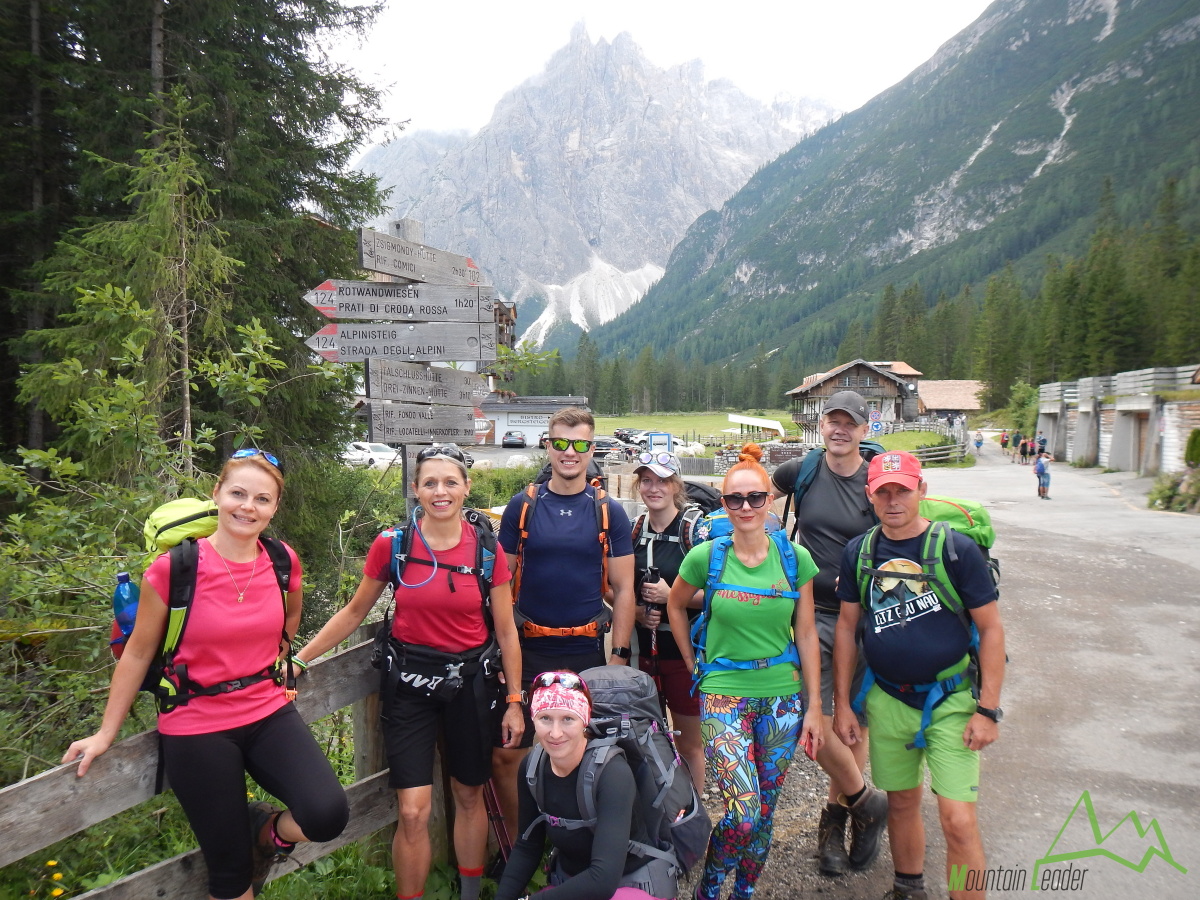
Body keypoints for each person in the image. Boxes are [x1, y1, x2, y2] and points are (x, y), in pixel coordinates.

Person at [64, 450, 348, 900]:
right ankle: (242, 851)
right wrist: (104, 732)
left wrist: (274, 666)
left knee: (327, 813)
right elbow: (136, 654)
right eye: (238, 493)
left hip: (266, 709)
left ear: (274, 508)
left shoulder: (282, 560)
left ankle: (264, 831)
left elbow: (289, 620)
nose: (247, 507)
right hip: (197, 724)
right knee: (231, 875)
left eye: (262, 499)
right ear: (216, 494)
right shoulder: (174, 569)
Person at [296, 445, 524, 900]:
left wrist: (516, 700)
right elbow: (356, 610)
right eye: (430, 483)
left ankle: (469, 892)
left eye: (450, 482)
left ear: (466, 488)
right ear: (416, 489)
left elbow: (506, 631)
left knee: (468, 796)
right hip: (410, 686)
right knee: (414, 811)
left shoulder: (486, 549)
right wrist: (302, 658)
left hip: (470, 683)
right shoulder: (394, 545)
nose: (440, 492)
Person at [833, 451, 1005, 900]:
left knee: (959, 821)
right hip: (886, 699)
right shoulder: (860, 553)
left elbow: (990, 629)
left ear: (921, 491)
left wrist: (988, 709)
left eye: (902, 490)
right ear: (870, 497)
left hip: (950, 701)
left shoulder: (956, 550)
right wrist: (844, 706)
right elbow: (848, 629)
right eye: (883, 491)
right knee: (903, 802)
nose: (893, 500)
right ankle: (908, 888)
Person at [669, 443, 824, 900]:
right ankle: (711, 890)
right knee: (743, 811)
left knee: (766, 811)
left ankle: (745, 892)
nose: (746, 507)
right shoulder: (706, 558)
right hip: (723, 693)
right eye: (735, 499)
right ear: (724, 504)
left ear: (769, 501)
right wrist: (692, 662)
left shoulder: (795, 560)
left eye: (755, 497)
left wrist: (814, 707)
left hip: (782, 696)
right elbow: (677, 605)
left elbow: (808, 634)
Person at [494, 407, 636, 842]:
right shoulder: (523, 507)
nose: (569, 453)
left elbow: (624, 589)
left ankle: (576, 844)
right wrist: (499, 652)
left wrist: (619, 657)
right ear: (548, 445)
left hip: (586, 651)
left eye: (579, 444)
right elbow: (501, 586)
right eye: (560, 443)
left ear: (592, 448)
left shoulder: (609, 512)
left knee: (582, 752)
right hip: (528, 647)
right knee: (508, 754)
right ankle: (524, 845)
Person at [769, 391, 889, 876]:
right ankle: (867, 801)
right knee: (806, 715)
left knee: (850, 720)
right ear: (822, 426)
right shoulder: (803, 470)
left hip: (865, 617)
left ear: (864, 429)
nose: (839, 430)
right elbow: (751, 497)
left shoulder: (877, 477)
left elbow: (899, 531)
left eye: (849, 423)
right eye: (832, 421)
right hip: (810, 613)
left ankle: (836, 823)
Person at [495, 671, 664, 900]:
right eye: (545, 718)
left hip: (628, 884)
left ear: (584, 719)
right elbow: (527, 848)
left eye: (567, 719)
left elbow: (603, 880)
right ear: (533, 718)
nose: (555, 733)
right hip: (572, 884)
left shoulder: (612, 773)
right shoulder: (531, 768)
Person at [631, 451, 705, 791]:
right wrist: (635, 612)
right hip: (641, 653)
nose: (654, 488)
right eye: (647, 480)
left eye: (662, 480)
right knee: (645, 740)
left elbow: (719, 593)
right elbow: (612, 589)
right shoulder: (632, 531)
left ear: (676, 484)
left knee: (689, 743)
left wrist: (672, 597)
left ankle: (692, 819)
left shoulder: (694, 533)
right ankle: (655, 816)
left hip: (684, 654)